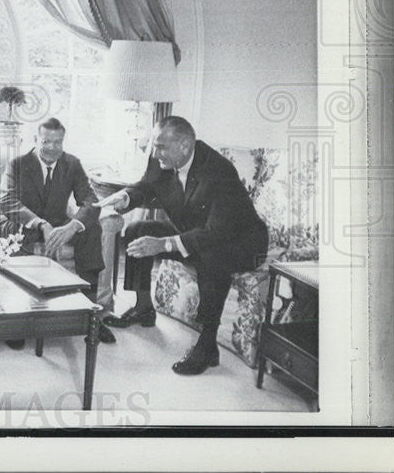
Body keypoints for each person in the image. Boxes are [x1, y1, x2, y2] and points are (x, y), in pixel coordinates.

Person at [98, 116, 268, 375]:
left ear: (186, 145)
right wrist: (125, 197)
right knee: (137, 231)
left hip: (240, 243)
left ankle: (207, 344)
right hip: (197, 233)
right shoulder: (162, 158)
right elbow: (146, 185)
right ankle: (143, 307)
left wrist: (165, 244)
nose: (156, 153)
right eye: (155, 146)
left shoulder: (219, 171)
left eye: (162, 147)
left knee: (211, 258)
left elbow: (217, 232)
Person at [0, 117, 115, 346]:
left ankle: (92, 316)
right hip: (23, 222)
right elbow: (6, 200)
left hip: (58, 223)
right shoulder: (17, 164)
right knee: (16, 235)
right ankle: (17, 322)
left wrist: (73, 226)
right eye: (46, 141)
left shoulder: (72, 163)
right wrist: (39, 223)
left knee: (91, 229)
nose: (52, 147)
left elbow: (91, 200)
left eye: (58, 142)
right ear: (35, 140)